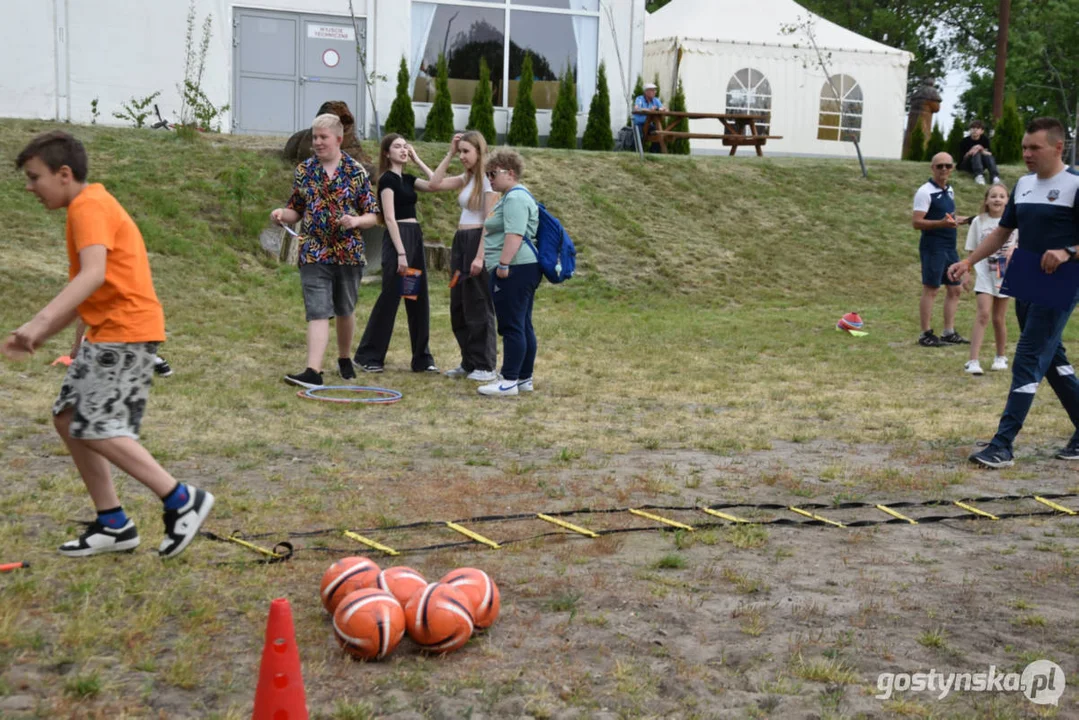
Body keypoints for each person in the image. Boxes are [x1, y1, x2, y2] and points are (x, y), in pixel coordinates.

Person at [3, 131, 213, 558]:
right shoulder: (87, 206)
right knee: (68, 417)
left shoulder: (89, 207)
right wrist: (41, 334)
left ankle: (180, 499)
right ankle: (113, 524)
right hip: (110, 330)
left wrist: (39, 320)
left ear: (64, 174)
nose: (29, 187)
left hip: (127, 329)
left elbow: (93, 274)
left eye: (34, 177)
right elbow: (90, 289)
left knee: (97, 427)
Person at [948, 117, 1079, 468]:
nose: (1027, 154)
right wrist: (969, 260)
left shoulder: (1075, 184)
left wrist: (1068, 251)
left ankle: (1002, 445)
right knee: (1051, 360)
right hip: (1024, 274)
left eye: (1034, 147)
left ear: (1057, 147)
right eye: (1024, 147)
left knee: (1026, 358)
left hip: (1061, 279)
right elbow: (1002, 232)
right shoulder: (1021, 184)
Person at [271, 113, 380, 388]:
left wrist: (355, 221)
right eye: (314, 137)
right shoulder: (304, 170)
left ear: (339, 139)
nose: (317, 143)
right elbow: (296, 209)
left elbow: (373, 215)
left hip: (348, 252)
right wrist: (282, 214)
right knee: (317, 310)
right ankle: (313, 371)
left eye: (323, 138)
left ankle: (344, 357)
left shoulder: (356, 171)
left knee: (345, 308)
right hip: (314, 251)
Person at [352, 134, 437, 373]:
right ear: (387, 153)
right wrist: (401, 253)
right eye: (397, 146)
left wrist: (418, 158)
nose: (403, 150)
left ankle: (422, 358)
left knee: (416, 297)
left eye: (405, 146)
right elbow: (389, 218)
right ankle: (368, 356)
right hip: (398, 240)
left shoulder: (408, 179)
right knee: (391, 297)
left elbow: (434, 184)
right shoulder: (387, 180)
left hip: (414, 237)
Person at [428, 132, 499, 382]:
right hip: (460, 243)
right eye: (460, 152)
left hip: (477, 242)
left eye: (466, 151)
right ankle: (468, 361)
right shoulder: (467, 177)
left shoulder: (488, 180)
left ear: (479, 152)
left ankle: (486, 365)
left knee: (478, 303)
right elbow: (434, 184)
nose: (462, 156)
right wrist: (449, 152)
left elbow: (489, 222)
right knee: (458, 304)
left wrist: (479, 257)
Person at [479, 149, 541, 397]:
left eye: (493, 173)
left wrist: (503, 264)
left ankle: (509, 380)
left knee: (512, 325)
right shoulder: (513, 195)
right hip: (522, 267)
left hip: (515, 268)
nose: (489, 179)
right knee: (523, 324)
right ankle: (524, 378)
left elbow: (514, 234)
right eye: (487, 174)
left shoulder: (515, 197)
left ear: (510, 173)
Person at [912, 152, 970, 347]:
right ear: (932, 168)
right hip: (933, 247)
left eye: (948, 166)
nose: (944, 169)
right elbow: (917, 222)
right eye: (940, 166)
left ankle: (948, 331)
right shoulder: (925, 192)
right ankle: (925, 333)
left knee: (955, 288)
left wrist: (961, 220)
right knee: (932, 288)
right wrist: (941, 224)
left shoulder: (949, 190)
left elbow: (948, 218)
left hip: (949, 246)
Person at [963, 183, 1018, 375]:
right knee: (983, 314)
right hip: (984, 274)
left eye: (1002, 196)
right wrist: (966, 272)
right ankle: (973, 360)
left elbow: (1020, 243)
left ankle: (1000, 356)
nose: (997, 199)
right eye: (993, 196)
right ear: (986, 200)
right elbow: (971, 249)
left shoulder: (1014, 222)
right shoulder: (979, 221)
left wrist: (1014, 249)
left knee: (998, 318)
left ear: (1008, 201)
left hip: (1004, 273)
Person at [958, 120, 1001, 186]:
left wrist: (981, 149)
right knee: (976, 152)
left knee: (986, 155)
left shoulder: (985, 140)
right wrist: (971, 151)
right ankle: (978, 176)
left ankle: (994, 177)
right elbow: (961, 160)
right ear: (970, 130)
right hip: (967, 165)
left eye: (977, 128)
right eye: (972, 128)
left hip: (981, 163)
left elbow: (990, 154)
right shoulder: (964, 141)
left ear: (982, 131)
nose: (975, 130)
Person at [632, 83, 665, 153]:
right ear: (646, 92)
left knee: (659, 134)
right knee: (639, 136)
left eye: (654, 90)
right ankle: (636, 153)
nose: (654, 92)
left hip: (649, 125)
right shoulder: (639, 99)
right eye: (652, 90)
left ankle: (653, 153)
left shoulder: (656, 100)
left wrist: (660, 109)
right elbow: (636, 109)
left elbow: (664, 109)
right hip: (639, 124)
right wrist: (650, 110)